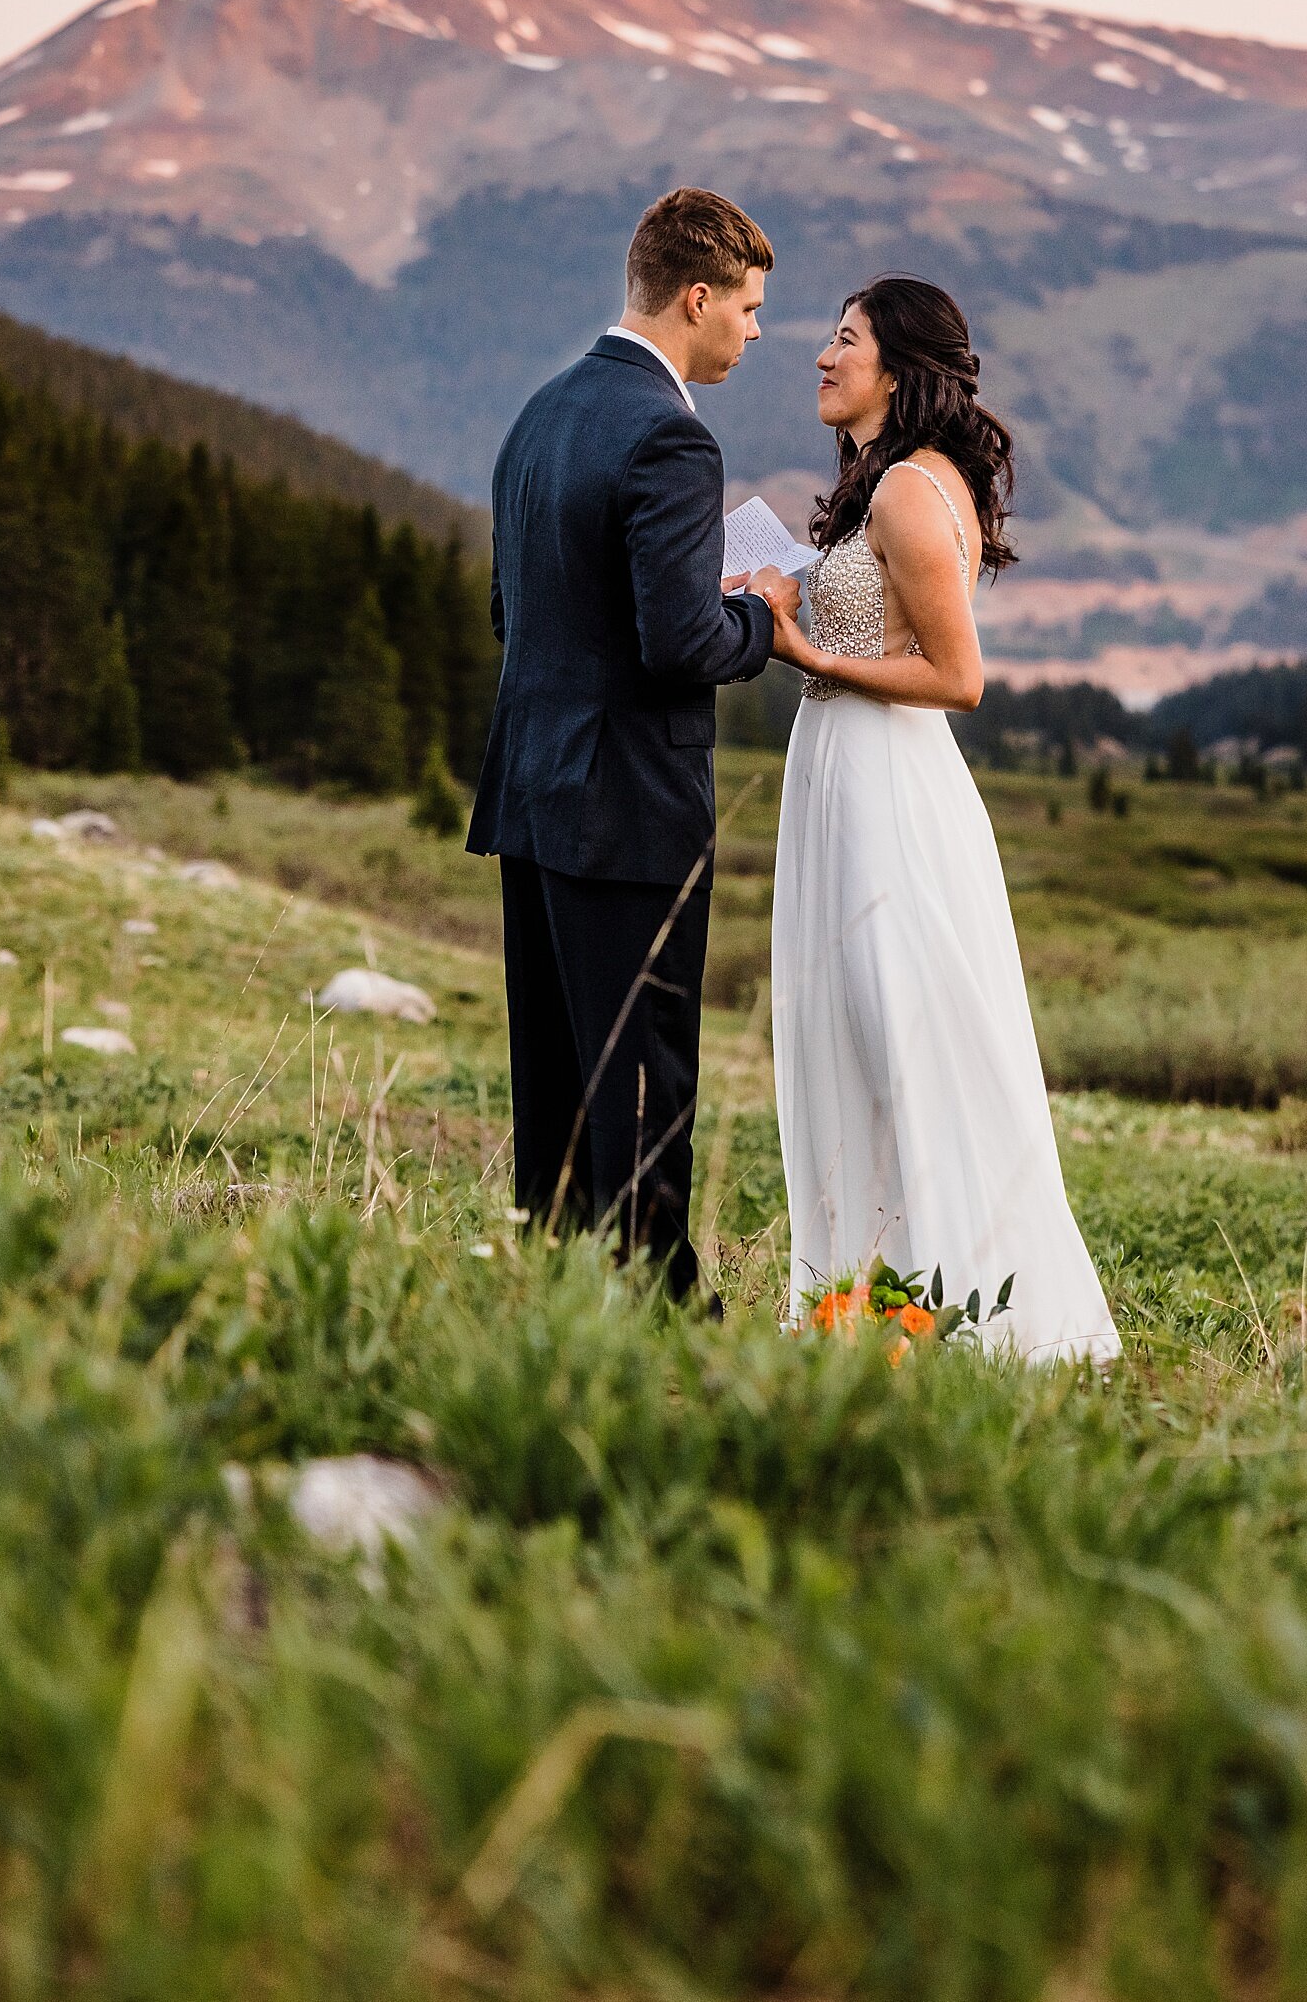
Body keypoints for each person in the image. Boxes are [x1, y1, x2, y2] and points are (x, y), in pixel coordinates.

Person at [764, 275, 1120, 1364]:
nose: (822, 357)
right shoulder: (890, 484)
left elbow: (959, 676)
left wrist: (806, 649)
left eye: (844, 340)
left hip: (887, 793)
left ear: (899, 366)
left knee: (904, 1041)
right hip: (847, 775)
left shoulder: (912, 493)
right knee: (859, 1043)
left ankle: (967, 1313)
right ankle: (881, 1307)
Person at [469, 187, 799, 1300]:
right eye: (748, 309)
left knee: (555, 1070)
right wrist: (757, 613)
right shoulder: (669, 434)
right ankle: (658, 1299)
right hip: (630, 811)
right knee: (647, 1072)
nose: (755, 332)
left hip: (535, 791)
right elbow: (679, 644)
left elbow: (515, 612)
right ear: (695, 297)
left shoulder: (542, 410)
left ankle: (555, 1285)